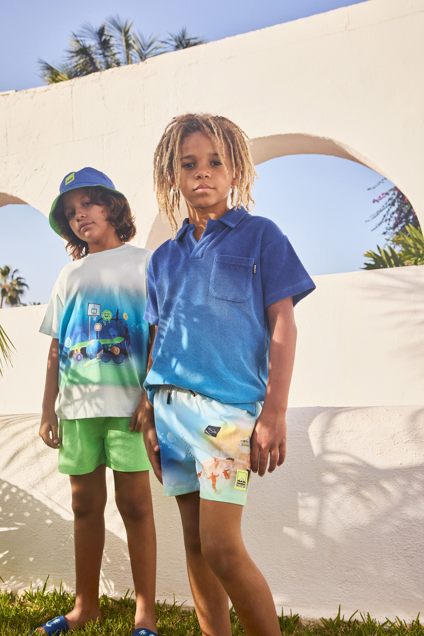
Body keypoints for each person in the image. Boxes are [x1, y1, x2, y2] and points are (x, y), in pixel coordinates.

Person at [142, 113, 316, 636]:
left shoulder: (262, 236)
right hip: (169, 413)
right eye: (189, 163)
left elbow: (283, 323)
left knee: (221, 545)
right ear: (173, 176)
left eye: (216, 162)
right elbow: (157, 339)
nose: (203, 172)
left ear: (236, 171)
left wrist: (274, 412)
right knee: (196, 545)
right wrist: (148, 413)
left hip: (227, 418)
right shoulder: (162, 259)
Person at [34, 167, 158, 636]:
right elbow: (56, 346)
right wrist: (47, 408)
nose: (80, 215)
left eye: (88, 203)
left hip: (129, 410)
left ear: (112, 207)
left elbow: (157, 334)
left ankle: (145, 614)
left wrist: (149, 396)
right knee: (85, 507)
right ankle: (85, 606)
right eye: (71, 212)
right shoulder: (69, 274)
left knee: (136, 507)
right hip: (77, 409)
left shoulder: (145, 263)